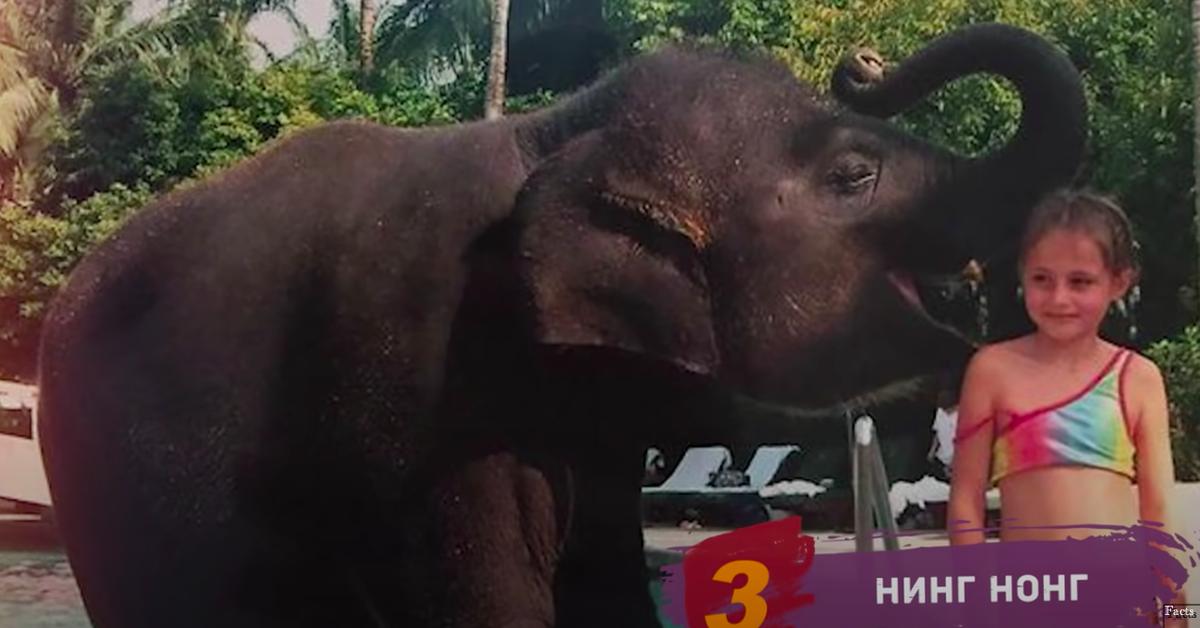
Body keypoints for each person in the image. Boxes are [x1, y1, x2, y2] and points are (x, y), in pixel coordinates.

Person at [945, 189, 1187, 622]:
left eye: (1080, 282)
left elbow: (1158, 511)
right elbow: (966, 499)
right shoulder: (993, 371)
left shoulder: (1137, 377)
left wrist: (1173, 609)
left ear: (1118, 283)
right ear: (1022, 275)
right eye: (1042, 279)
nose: (1059, 298)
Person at [927, 387, 959, 481]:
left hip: (957, 459)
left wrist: (954, 463)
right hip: (942, 457)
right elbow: (937, 431)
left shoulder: (961, 416)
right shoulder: (940, 412)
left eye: (948, 410)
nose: (945, 412)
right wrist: (932, 450)